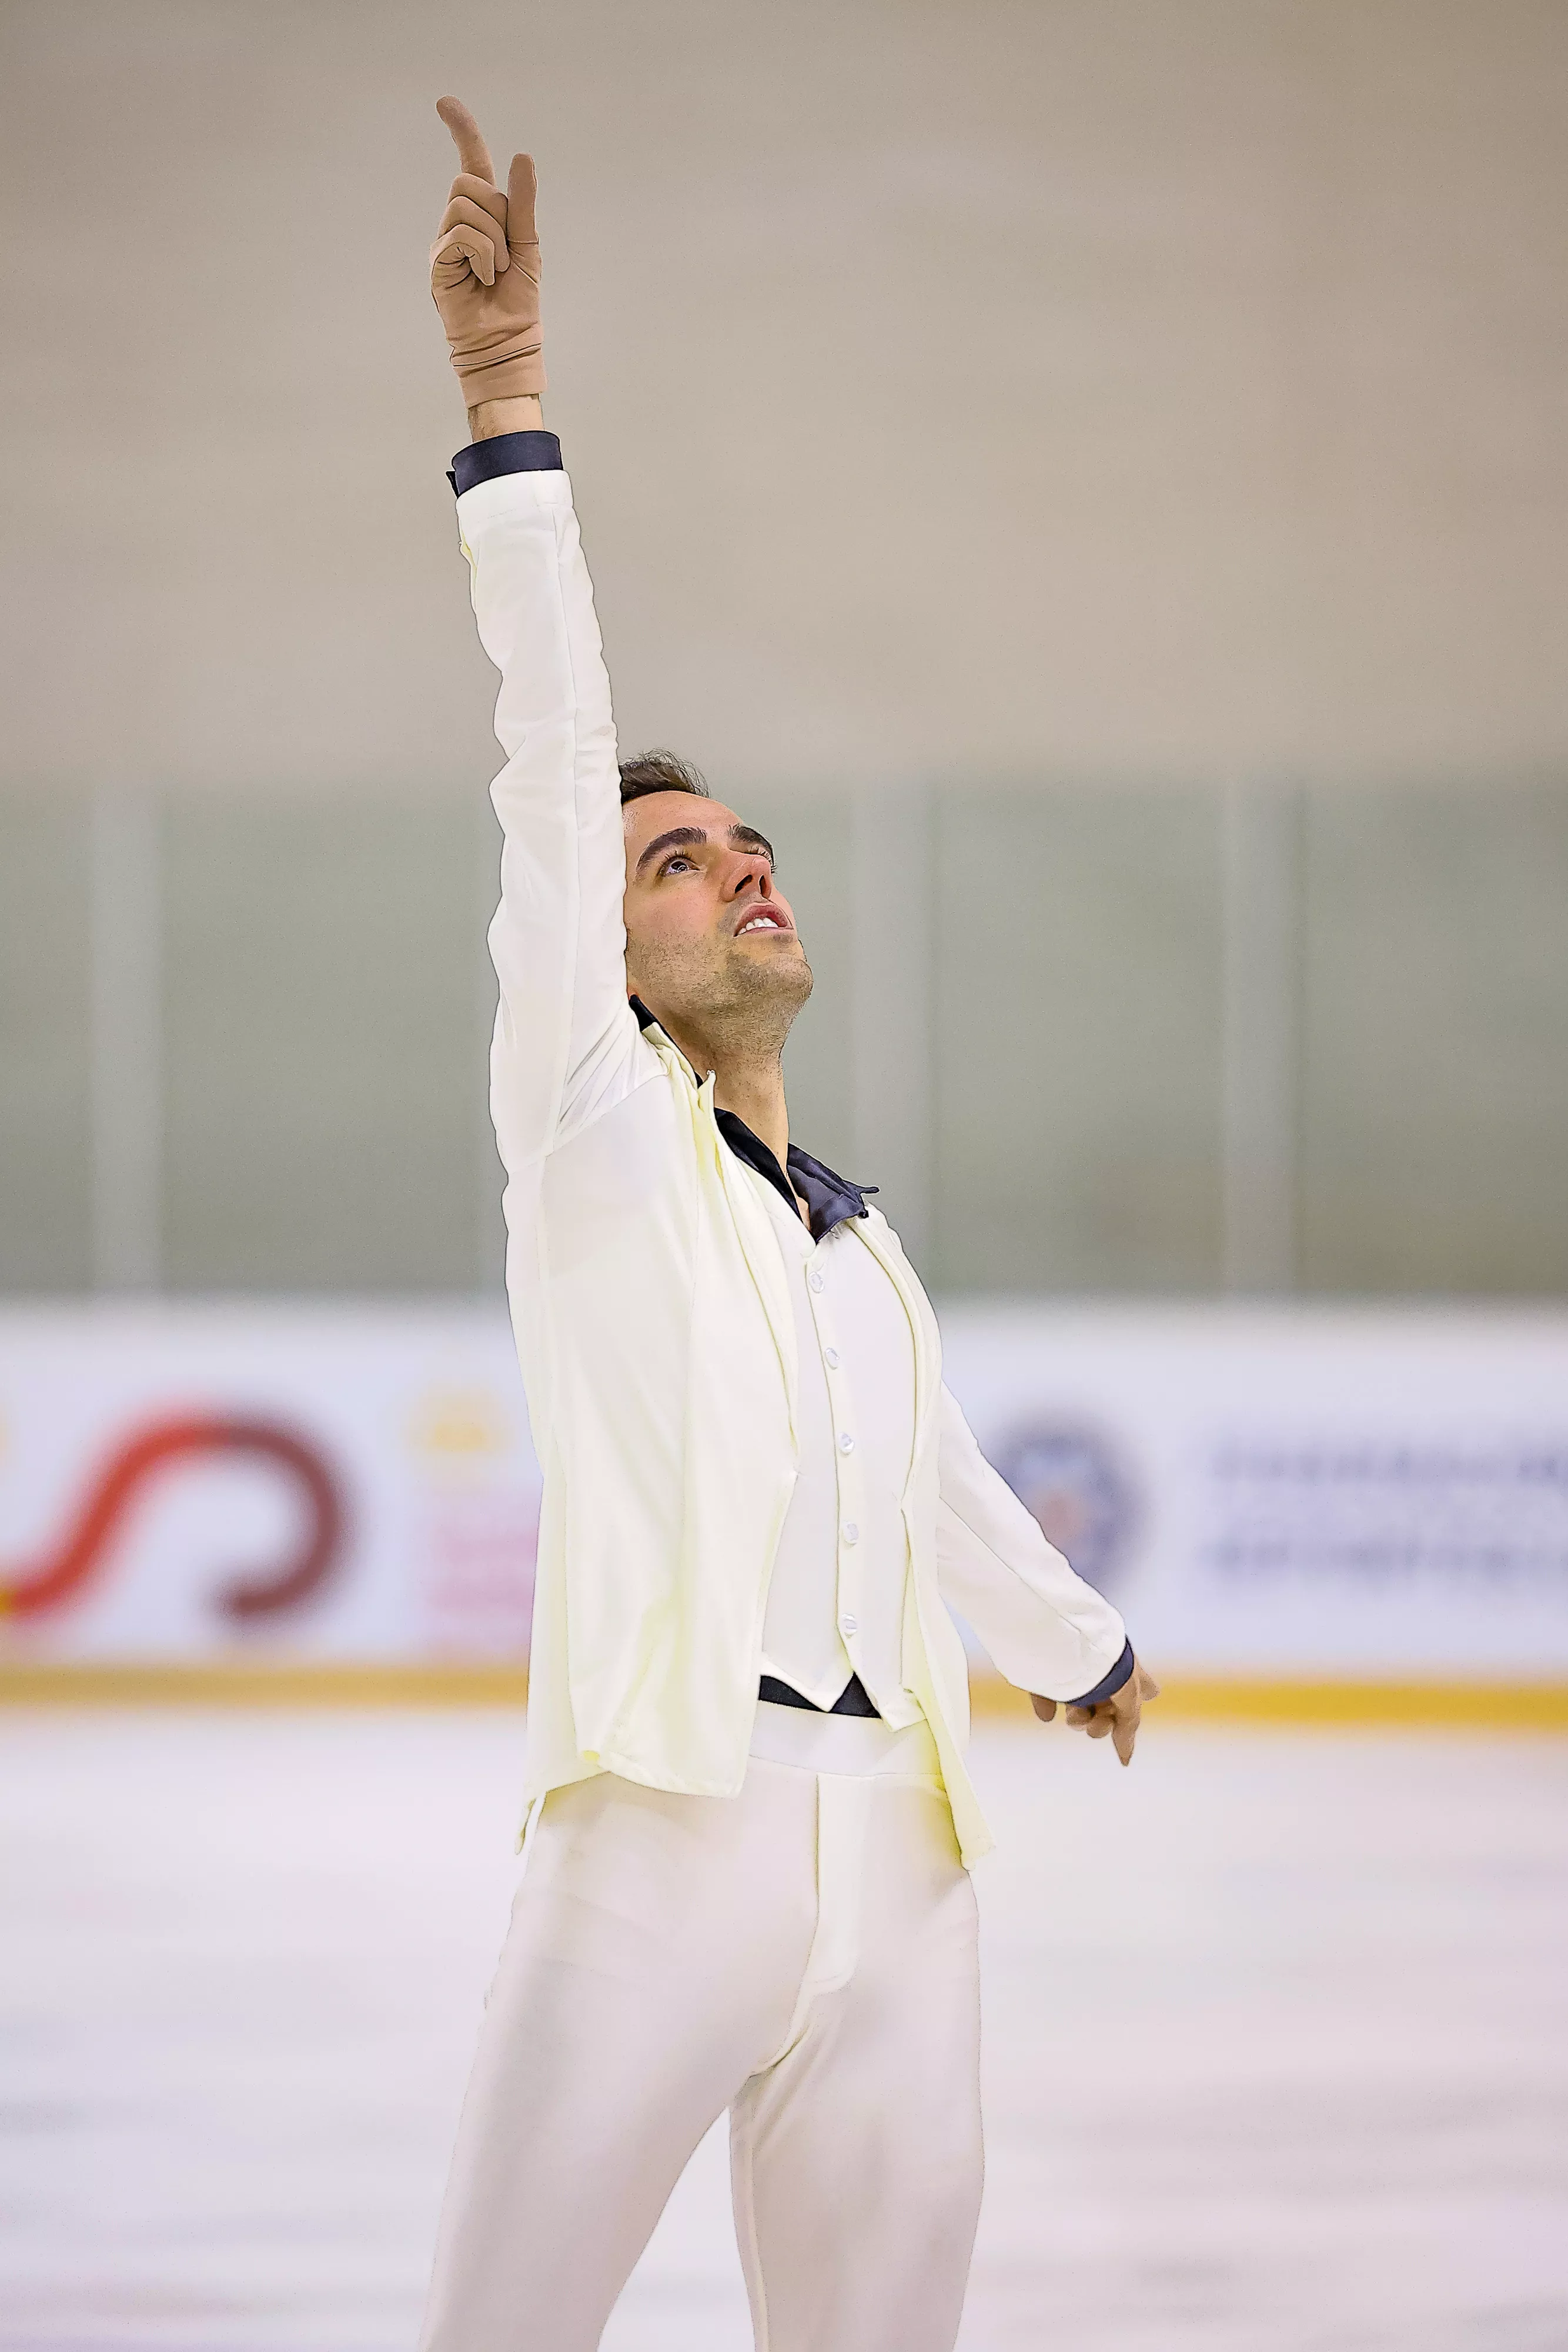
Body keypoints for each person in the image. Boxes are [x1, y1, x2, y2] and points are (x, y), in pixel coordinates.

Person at [418, 95, 1159, 2352]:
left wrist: (1076, 1650)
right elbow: (553, 753)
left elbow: (928, 1483)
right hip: (665, 1839)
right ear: (607, 952)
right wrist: (507, 408)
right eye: (678, 860)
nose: (739, 865)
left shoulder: (850, 1243)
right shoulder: (593, 1130)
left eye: (749, 843)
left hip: (901, 1870)